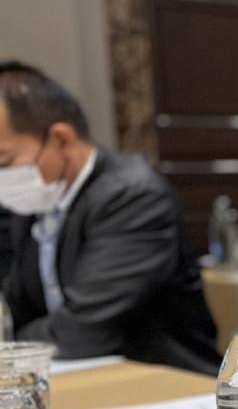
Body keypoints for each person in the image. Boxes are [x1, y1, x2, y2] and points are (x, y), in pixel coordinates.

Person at [0, 62, 218, 373]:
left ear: (61, 139)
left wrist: (13, 346)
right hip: (80, 375)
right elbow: (14, 309)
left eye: (4, 161)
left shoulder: (134, 198)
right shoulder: (33, 204)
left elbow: (82, 332)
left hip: (169, 383)